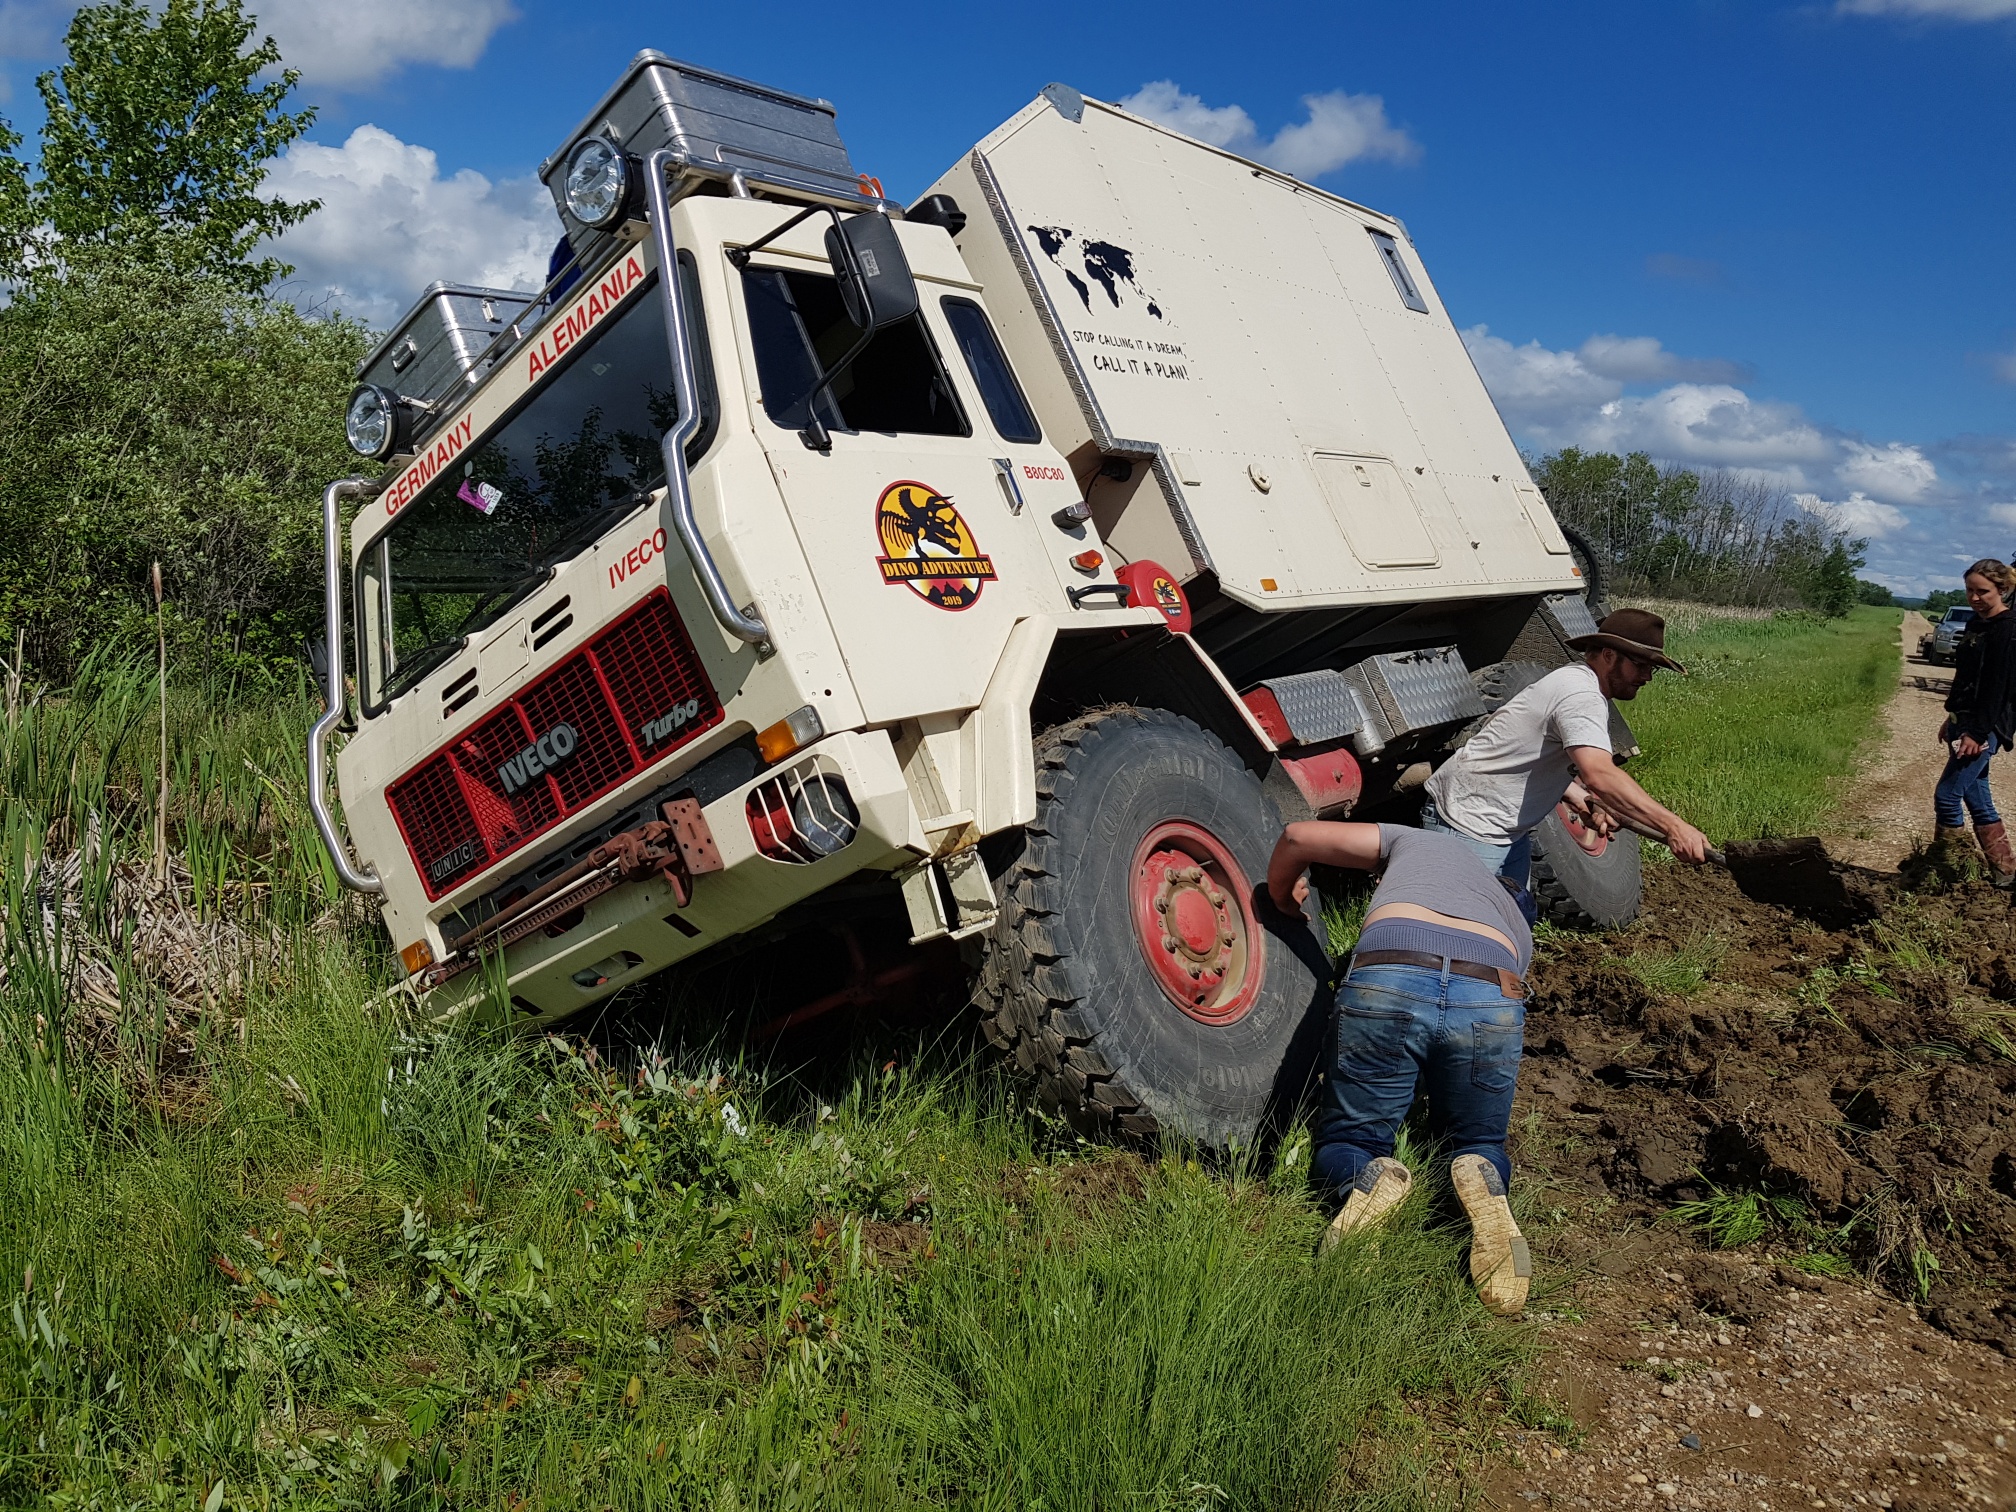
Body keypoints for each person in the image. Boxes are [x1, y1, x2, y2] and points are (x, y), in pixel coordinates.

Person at [1267, 819, 1535, 1316]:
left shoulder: (1415, 839)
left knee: (1351, 1139)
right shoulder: (1515, 921)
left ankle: (1369, 1174)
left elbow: (1297, 836)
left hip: (1391, 971)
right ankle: (1480, 1175)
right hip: (1491, 991)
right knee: (1477, 1142)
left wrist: (1283, 898)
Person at [1422, 607, 1712, 879]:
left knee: (1514, 920)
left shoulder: (1574, 682)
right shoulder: (1580, 695)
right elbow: (1599, 775)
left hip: (1499, 827)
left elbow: (1528, 753)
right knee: (1460, 927)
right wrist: (1675, 826)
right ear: (1609, 655)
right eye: (1641, 665)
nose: (1647, 677)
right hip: (1468, 825)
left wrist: (1579, 798)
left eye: (1653, 668)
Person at [1937, 558, 2016, 886]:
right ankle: (2005, 872)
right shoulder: (1973, 624)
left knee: (1947, 795)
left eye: (1982, 591)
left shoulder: (2008, 630)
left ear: (2003, 589)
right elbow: (1965, 677)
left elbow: (1998, 688)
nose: (1974, 597)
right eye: (1969, 590)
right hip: (1963, 721)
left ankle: (1950, 870)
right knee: (1975, 795)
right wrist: (1951, 715)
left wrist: (1978, 732)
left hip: (1985, 726)